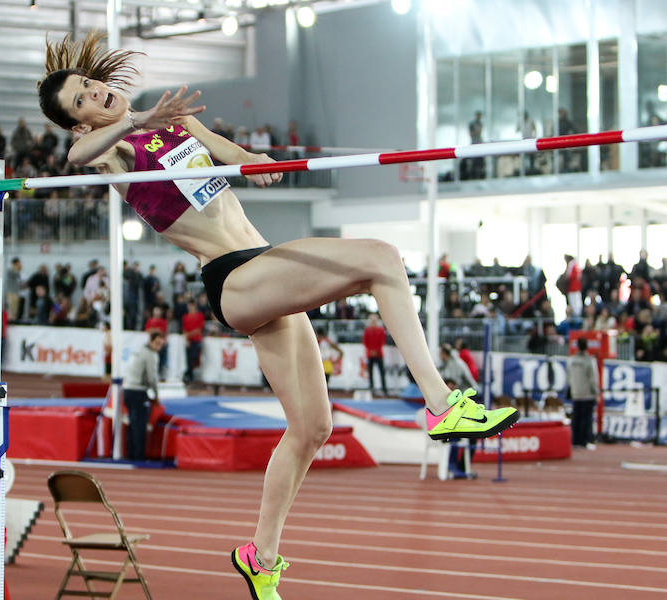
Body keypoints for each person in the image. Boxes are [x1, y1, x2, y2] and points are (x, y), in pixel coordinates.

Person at [36, 32, 518, 598]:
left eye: (93, 85)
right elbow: (75, 157)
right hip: (232, 277)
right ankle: (441, 405)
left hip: (259, 265)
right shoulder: (115, 152)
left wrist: (256, 163)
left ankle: (259, 555)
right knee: (382, 260)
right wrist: (139, 119)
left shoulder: (175, 123)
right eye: (83, 101)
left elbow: (232, 156)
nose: (97, 94)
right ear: (81, 122)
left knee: (313, 428)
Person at [123, 331, 164, 460]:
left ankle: (131, 454)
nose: (158, 347)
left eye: (161, 345)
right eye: (157, 344)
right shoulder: (150, 355)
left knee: (132, 423)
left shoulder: (138, 350)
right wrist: (156, 395)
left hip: (127, 390)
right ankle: (139, 456)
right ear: (151, 341)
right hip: (138, 392)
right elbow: (152, 378)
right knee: (140, 425)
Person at [568, 338, 599, 449]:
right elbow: (592, 378)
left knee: (576, 418)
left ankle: (575, 440)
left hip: (576, 393)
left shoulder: (571, 360)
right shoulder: (589, 360)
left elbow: (568, 377)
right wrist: (596, 392)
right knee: (586, 419)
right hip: (587, 394)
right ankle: (584, 441)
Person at [362, 314, 387, 395]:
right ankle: (371, 388)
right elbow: (365, 342)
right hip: (370, 354)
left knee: (382, 372)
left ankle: (384, 389)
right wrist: (371, 350)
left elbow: (382, 341)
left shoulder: (381, 330)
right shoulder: (367, 330)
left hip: (379, 354)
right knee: (370, 372)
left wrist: (375, 350)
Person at [182, 300, 204, 384]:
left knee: (194, 358)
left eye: (192, 305)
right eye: (189, 305)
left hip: (196, 340)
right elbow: (184, 329)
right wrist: (186, 339)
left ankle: (188, 374)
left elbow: (199, 330)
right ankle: (189, 376)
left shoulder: (199, 315)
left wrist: (187, 336)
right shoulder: (185, 316)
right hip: (190, 341)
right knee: (189, 359)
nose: (190, 307)